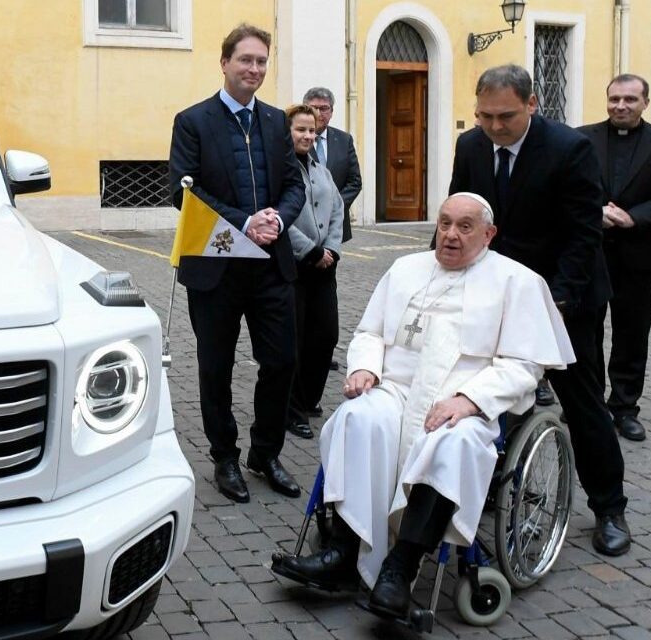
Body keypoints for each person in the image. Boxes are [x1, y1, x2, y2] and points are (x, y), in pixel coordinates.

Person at [271, 193, 574, 618]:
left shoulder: (516, 282)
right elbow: (370, 332)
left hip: (461, 401)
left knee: (453, 445)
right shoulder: (405, 269)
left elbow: (526, 366)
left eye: (465, 227)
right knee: (357, 418)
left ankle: (400, 568)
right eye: (445, 223)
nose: (450, 235)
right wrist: (364, 368)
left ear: (489, 234)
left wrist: (470, 399)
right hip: (395, 390)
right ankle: (342, 551)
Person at [448, 64, 632, 556]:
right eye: (483, 116)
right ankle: (491, 483)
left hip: (565, 297)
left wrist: (554, 301)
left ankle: (609, 507)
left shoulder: (570, 149)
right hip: (496, 293)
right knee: (489, 390)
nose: (493, 126)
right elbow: (461, 217)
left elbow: (582, 235)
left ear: (532, 104)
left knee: (583, 401)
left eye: (504, 116)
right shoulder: (470, 147)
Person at [169, 23, 307, 502]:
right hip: (217, 266)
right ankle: (224, 456)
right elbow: (183, 190)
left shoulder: (274, 121)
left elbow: (294, 185)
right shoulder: (193, 121)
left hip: (270, 265)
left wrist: (278, 220)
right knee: (215, 366)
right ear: (224, 62)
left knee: (283, 360)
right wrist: (242, 222)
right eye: (245, 60)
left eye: (261, 62)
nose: (254, 69)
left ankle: (265, 453)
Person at [577, 74, 651, 442]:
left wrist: (632, 217)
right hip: (591, 251)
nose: (620, 106)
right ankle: (589, 405)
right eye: (614, 99)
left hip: (640, 253)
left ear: (645, 102)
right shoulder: (582, 138)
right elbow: (570, 186)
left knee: (632, 333)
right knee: (587, 331)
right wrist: (596, 211)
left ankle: (624, 407)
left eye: (629, 99)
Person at [282, 104, 344, 440]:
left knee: (325, 335)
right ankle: (292, 410)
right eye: (301, 130)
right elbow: (279, 217)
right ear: (287, 132)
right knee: (295, 339)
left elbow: (338, 208)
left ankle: (309, 398)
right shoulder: (279, 170)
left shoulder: (321, 170)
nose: (307, 136)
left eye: (312, 131)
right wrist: (312, 250)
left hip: (324, 267)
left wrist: (332, 249)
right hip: (294, 267)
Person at [302, 87, 363, 242]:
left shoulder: (344, 140)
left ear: (331, 112)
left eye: (324, 108)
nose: (319, 113)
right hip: (305, 221)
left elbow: (355, 182)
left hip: (335, 224)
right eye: (313, 108)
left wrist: (334, 206)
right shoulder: (295, 138)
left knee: (330, 264)